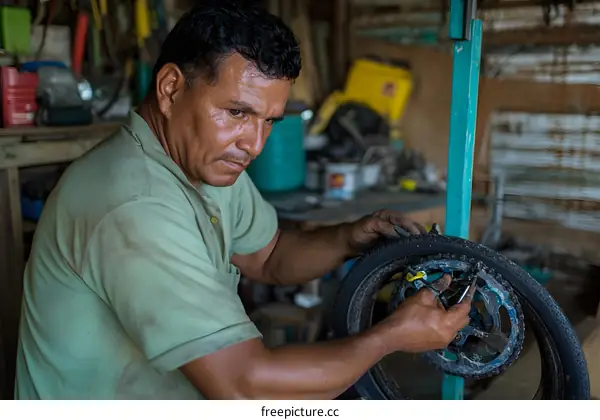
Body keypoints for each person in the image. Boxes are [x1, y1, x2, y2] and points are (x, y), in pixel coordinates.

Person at [14, 1, 472, 400]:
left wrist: (349, 238)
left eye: (269, 121)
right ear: (171, 88)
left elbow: (268, 256)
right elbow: (244, 387)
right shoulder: (134, 207)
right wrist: (391, 336)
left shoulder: (199, 162)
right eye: (237, 112)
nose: (254, 144)